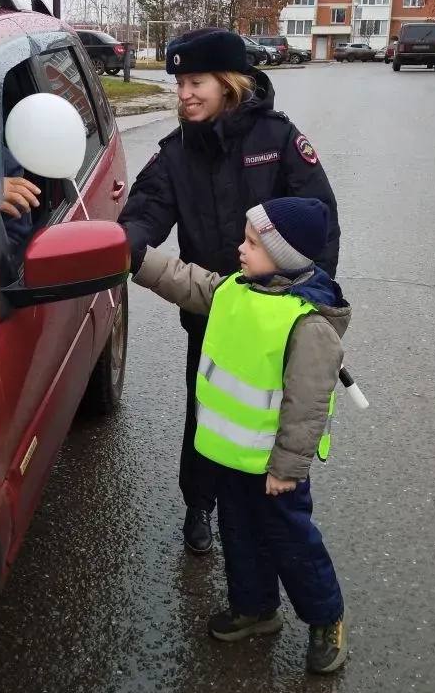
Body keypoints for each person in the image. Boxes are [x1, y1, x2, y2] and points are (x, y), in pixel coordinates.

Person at [119, 28, 340, 556]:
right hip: (212, 310)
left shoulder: (278, 140)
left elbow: (320, 221)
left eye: (196, 82)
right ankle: (200, 504)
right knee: (208, 408)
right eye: (178, 83)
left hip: (277, 317)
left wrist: (311, 299)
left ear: (228, 83)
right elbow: (146, 210)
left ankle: (273, 503)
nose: (184, 94)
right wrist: (123, 244)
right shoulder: (175, 152)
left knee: (275, 412)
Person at [133, 196, 350, 673]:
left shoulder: (307, 323)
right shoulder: (238, 289)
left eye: (253, 243)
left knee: (291, 544)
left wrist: (288, 468)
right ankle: (255, 609)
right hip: (231, 459)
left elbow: (307, 406)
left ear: (286, 257)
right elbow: (189, 282)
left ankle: (325, 617)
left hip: (275, 469)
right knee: (239, 536)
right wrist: (140, 259)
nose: (240, 249)